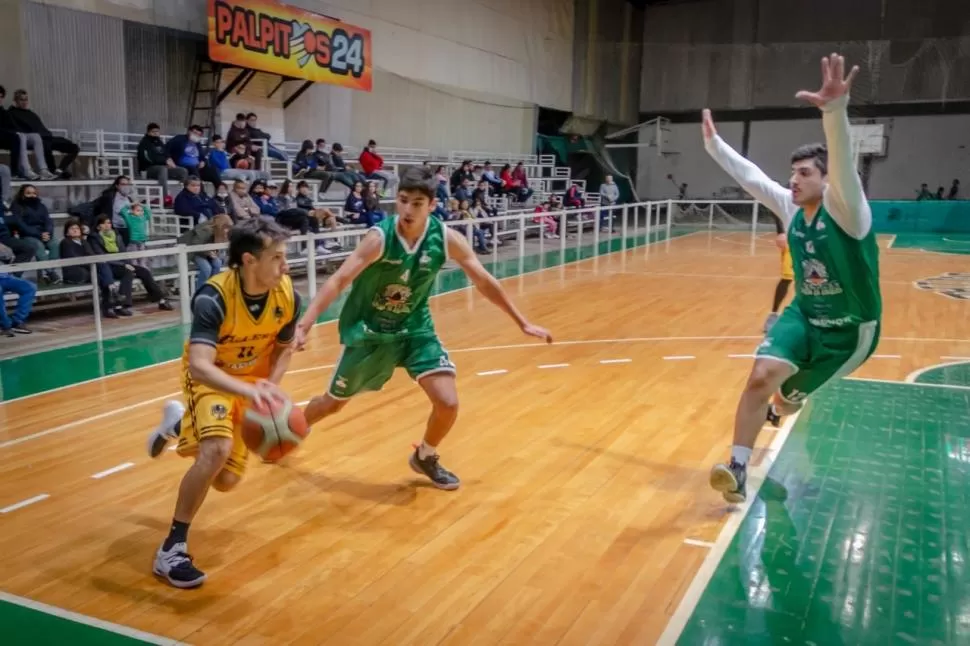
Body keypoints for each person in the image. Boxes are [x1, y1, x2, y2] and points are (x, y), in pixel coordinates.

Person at [294, 165, 552, 490]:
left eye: (417, 203)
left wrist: (523, 321)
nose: (407, 209)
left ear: (432, 205)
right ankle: (291, 427)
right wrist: (305, 324)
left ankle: (425, 456)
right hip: (371, 332)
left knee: (448, 402)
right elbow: (339, 279)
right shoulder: (379, 239)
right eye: (403, 200)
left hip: (416, 330)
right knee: (333, 404)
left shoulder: (445, 238)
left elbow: (485, 282)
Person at [703, 54, 881, 503]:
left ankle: (780, 409)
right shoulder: (791, 209)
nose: (794, 180)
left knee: (783, 399)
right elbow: (753, 178)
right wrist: (714, 146)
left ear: (828, 180)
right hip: (805, 314)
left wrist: (834, 111)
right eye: (793, 173)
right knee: (761, 376)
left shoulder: (849, 213)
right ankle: (738, 468)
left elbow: (841, 159)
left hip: (848, 333)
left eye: (805, 173)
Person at [144, 218, 301, 588]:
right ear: (249, 260)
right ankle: (172, 549)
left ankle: (179, 424)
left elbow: (284, 348)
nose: (285, 265)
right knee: (215, 451)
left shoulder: (288, 295)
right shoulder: (213, 297)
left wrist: (269, 389)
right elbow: (199, 365)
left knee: (226, 480)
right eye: (277, 257)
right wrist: (251, 393)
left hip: (251, 384)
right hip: (212, 377)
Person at [763, 213, 793, 333]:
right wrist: (781, 231)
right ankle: (773, 314)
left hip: (814, 236)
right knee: (787, 278)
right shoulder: (789, 196)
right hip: (792, 237)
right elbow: (777, 209)